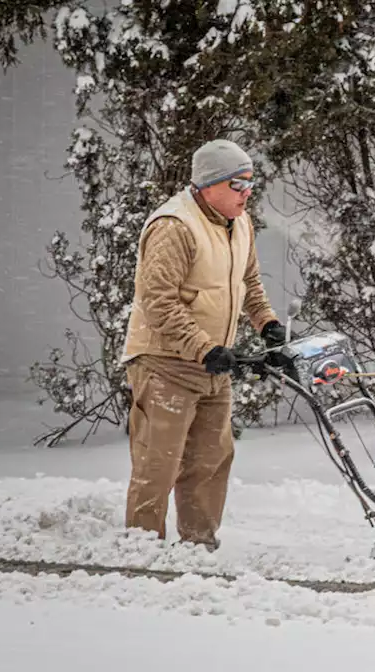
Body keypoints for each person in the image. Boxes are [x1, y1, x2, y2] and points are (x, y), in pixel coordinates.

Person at [120, 138, 285, 550]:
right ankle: (141, 552)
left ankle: (198, 546)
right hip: (164, 362)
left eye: (250, 183)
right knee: (158, 462)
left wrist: (267, 324)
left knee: (210, 460)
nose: (247, 193)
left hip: (212, 362)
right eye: (238, 184)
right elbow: (157, 301)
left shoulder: (239, 222)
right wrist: (203, 347)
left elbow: (248, 283)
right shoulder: (174, 226)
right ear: (209, 185)